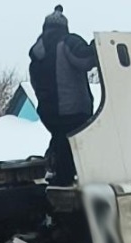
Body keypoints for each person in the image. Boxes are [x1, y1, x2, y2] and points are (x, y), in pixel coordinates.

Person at [29, 5, 98, 186]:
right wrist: (98, 46)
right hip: (73, 110)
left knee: (60, 142)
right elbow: (85, 60)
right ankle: (65, 186)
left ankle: (54, 173)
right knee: (75, 149)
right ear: (64, 27)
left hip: (49, 114)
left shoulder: (37, 53)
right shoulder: (68, 42)